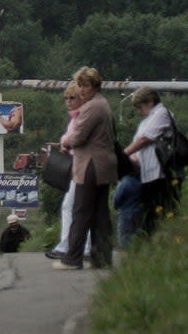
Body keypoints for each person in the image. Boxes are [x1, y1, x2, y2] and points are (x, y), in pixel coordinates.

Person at [56, 66, 117, 271]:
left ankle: (73, 258)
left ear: (95, 85)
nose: (82, 89)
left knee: (81, 211)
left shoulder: (92, 107)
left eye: (86, 85)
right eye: (80, 85)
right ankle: (101, 257)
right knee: (99, 212)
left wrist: (66, 141)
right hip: (103, 164)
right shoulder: (103, 104)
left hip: (90, 164)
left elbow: (79, 135)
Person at [121, 86, 176, 235]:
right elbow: (138, 142)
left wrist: (124, 153)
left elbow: (145, 139)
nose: (139, 111)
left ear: (150, 102)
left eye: (140, 107)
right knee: (149, 212)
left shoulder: (161, 113)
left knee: (158, 212)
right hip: (146, 173)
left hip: (159, 172)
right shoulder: (147, 120)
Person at [46, 84, 90, 261]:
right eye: (66, 98)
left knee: (73, 206)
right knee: (77, 207)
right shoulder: (75, 118)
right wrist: (65, 144)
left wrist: (66, 143)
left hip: (84, 166)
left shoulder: (82, 117)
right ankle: (78, 246)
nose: (68, 102)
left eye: (72, 98)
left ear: (81, 99)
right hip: (78, 165)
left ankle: (68, 246)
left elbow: (77, 138)